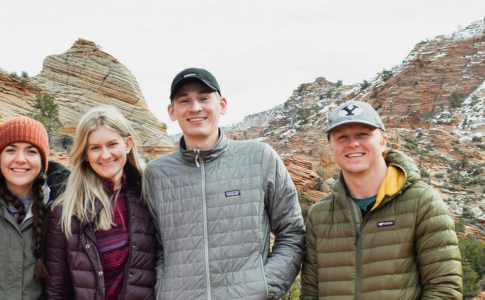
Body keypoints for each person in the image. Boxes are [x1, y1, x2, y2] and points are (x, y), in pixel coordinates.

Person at [144, 68, 305, 300]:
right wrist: (164, 291)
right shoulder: (156, 173)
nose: (195, 107)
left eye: (204, 97)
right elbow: (155, 247)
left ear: (222, 105)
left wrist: (263, 288)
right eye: (184, 100)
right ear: (172, 111)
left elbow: (291, 233)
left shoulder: (260, 157)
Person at [299, 101, 462, 300]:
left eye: (363, 134)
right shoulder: (320, 216)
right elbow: (310, 293)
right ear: (331, 147)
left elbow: (444, 290)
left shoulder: (422, 203)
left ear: (383, 141)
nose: (353, 144)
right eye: (342, 137)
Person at [44, 105, 156, 300]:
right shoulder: (66, 213)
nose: (105, 155)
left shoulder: (147, 195)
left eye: (112, 144)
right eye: (95, 148)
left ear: (127, 144)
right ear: (85, 154)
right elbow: (57, 291)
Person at [0, 116, 70, 300]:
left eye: (31, 151)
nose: (20, 159)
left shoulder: (63, 210)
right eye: (11, 150)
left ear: (43, 160)